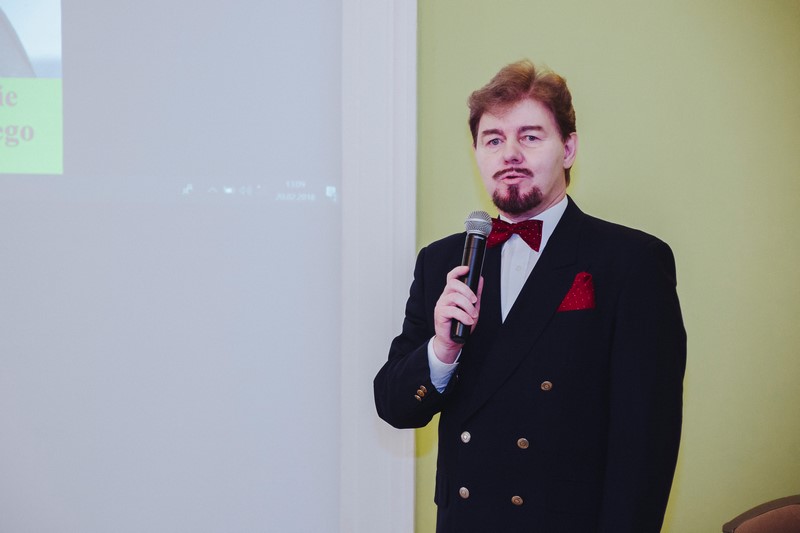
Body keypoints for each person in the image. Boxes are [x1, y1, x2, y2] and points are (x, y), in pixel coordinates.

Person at [373, 59, 686, 532]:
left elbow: (644, 442)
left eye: (531, 136)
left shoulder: (631, 262)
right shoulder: (441, 261)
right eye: (493, 140)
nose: (510, 154)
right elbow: (395, 407)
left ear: (569, 149)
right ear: (476, 153)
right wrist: (442, 349)